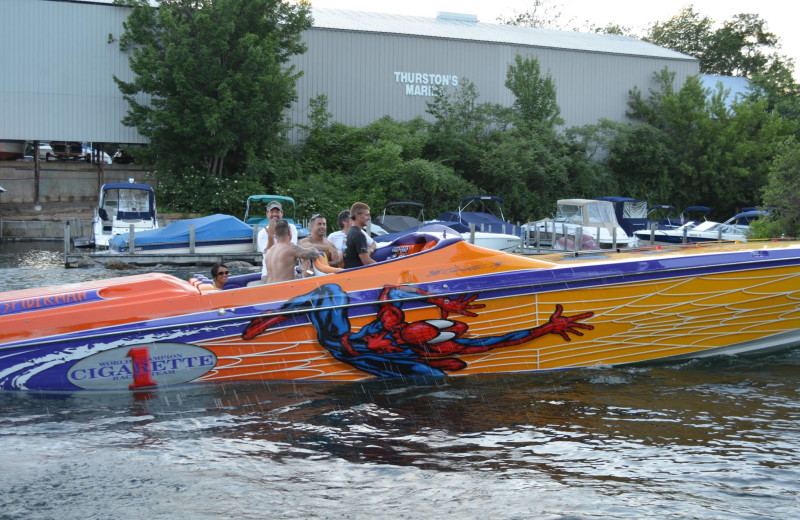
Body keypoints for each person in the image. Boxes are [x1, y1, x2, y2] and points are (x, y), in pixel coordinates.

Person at [256, 200, 298, 283]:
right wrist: (270, 235)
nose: (274, 214)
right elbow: (269, 254)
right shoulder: (262, 233)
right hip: (269, 275)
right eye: (272, 212)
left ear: (282, 213)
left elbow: (292, 248)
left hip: (290, 273)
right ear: (267, 214)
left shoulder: (291, 228)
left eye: (277, 211)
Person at [343, 202, 376, 268]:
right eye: (367, 215)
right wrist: (385, 267)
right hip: (357, 274)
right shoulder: (358, 235)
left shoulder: (349, 232)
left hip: (349, 273)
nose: (369, 218)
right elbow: (367, 262)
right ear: (357, 216)